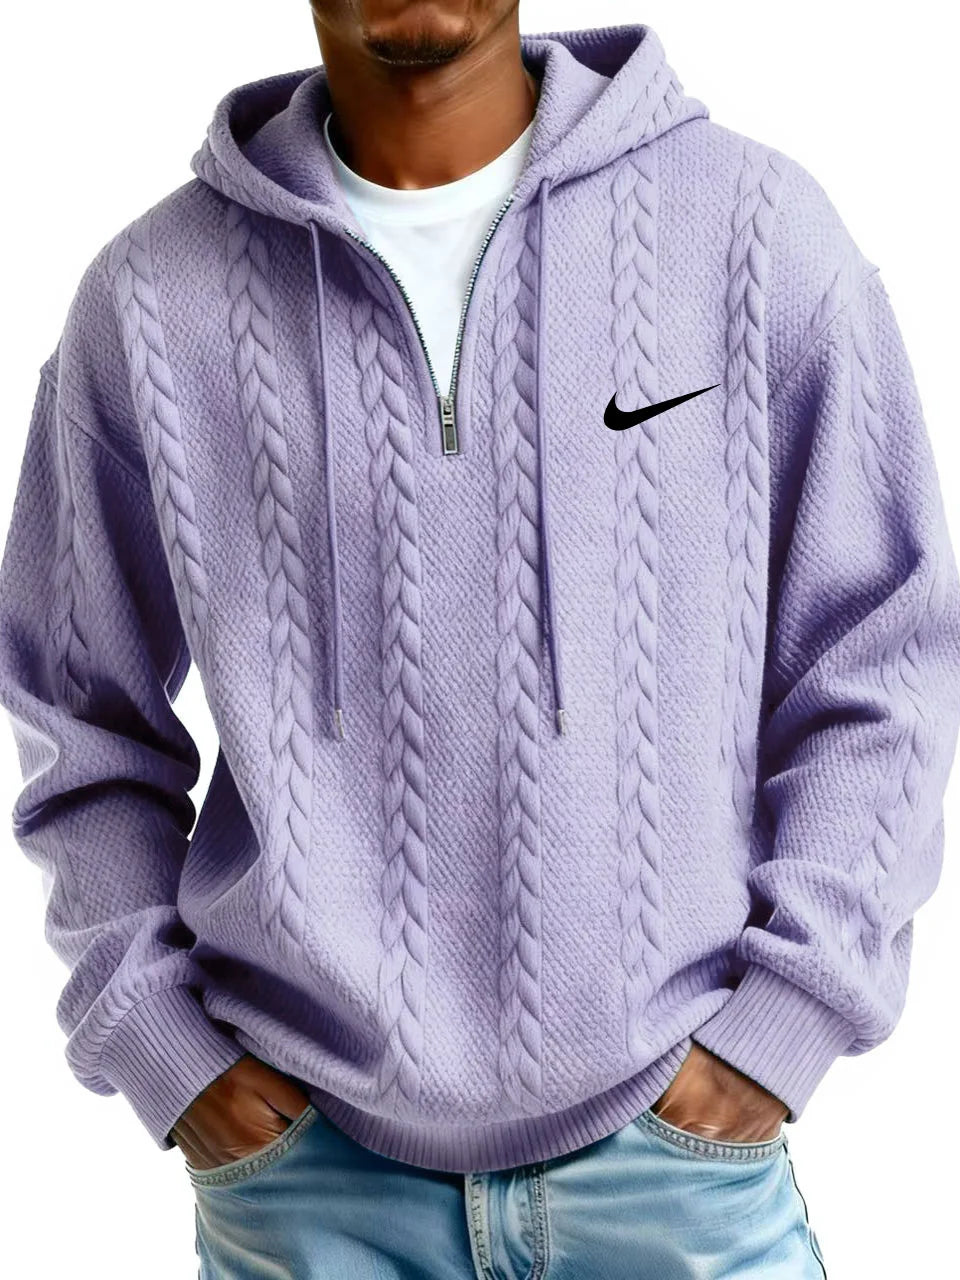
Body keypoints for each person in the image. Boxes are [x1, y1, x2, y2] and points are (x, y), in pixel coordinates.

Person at [2, 4, 959, 1277]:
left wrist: (786, 1020)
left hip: (678, 1169)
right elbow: (78, 713)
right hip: (308, 1184)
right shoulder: (148, 300)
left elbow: (882, 655)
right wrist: (167, 1053)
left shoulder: (755, 231)